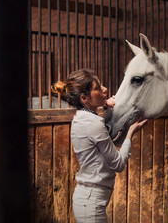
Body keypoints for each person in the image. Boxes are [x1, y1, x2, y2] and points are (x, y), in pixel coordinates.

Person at [51, 69, 147, 223]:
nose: (105, 89)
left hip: (87, 200)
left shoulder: (83, 118)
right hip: (91, 205)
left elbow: (104, 137)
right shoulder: (92, 123)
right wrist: (131, 132)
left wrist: (106, 108)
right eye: (97, 88)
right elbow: (118, 164)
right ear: (84, 98)